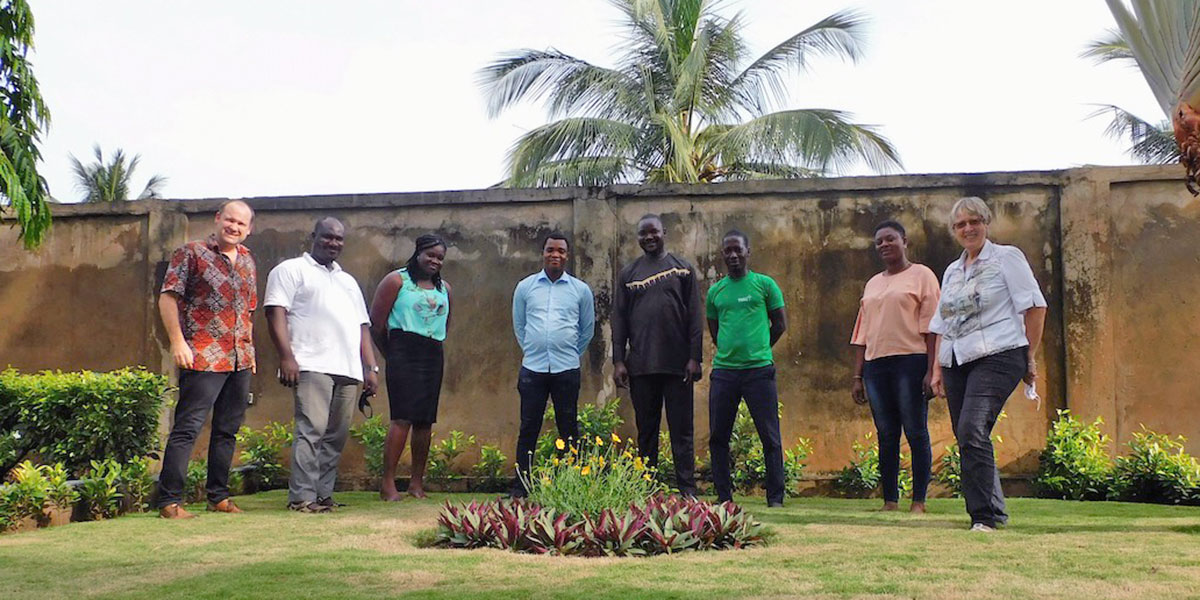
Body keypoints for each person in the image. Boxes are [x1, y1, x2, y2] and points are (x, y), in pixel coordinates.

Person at [929, 197, 1047, 532]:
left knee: (971, 429)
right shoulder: (952, 270)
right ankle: (988, 509)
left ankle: (985, 517)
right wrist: (938, 368)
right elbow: (943, 322)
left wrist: (1029, 355)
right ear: (955, 230)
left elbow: (1035, 307)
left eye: (974, 221)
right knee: (966, 434)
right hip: (955, 359)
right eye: (961, 224)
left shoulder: (1007, 257)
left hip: (1000, 353)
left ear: (987, 222)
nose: (968, 228)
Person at [264, 217, 379, 513]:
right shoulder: (290, 270)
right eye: (328, 237)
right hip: (311, 363)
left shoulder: (347, 280)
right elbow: (275, 312)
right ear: (313, 236)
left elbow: (362, 326)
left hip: (348, 368)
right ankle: (302, 497)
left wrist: (371, 367)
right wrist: (287, 357)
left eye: (339, 239)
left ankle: (322, 494)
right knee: (311, 429)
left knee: (336, 436)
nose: (333, 243)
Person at [156, 200, 257, 519]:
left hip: (239, 358)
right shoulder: (191, 253)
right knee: (188, 427)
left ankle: (218, 496)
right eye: (230, 220)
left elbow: (248, 310)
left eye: (241, 224)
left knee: (228, 430)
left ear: (248, 229)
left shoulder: (248, 261)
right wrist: (177, 342)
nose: (234, 227)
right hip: (202, 354)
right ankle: (169, 501)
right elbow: (168, 297)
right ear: (218, 219)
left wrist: (250, 350)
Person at [850, 220, 940, 513]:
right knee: (886, 433)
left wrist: (931, 370)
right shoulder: (873, 283)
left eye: (890, 239)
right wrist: (857, 376)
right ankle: (890, 500)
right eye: (879, 242)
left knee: (915, 431)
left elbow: (932, 328)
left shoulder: (922, 276)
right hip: (876, 366)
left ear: (905, 241)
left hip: (910, 362)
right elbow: (862, 332)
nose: (884, 245)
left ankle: (918, 501)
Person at [611, 214, 702, 496]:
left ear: (664, 232)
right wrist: (618, 361)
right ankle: (646, 487)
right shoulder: (628, 274)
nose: (649, 238)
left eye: (653, 232)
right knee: (646, 431)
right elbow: (619, 320)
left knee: (682, 431)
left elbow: (695, 318)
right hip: (641, 366)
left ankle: (686, 488)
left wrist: (694, 357)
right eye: (642, 234)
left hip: (678, 367)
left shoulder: (683, 269)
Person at [706, 230, 788, 507]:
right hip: (724, 372)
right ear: (723, 254)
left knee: (770, 437)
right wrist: (732, 351)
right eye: (727, 251)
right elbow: (715, 331)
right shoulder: (716, 291)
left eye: (737, 250)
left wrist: (760, 349)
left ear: (747, 251)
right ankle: (724, 497)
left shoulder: (765, 285)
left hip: (759, 371)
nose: (732, 255)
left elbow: (780, 325)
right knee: (718, 437)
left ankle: (775, 498)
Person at [509, 232, 595, 497]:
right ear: (543, 253)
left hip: (566, 369)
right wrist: (535, 349)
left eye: (560, 251)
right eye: (550, 250)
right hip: (533, 368)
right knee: (528, 427)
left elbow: (586, 330)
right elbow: (520, 326)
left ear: (567, 255)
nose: (555, 255)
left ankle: (571, 485)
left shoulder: (580, 290)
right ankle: (521, 488)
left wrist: (567, 352)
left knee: (568, 427)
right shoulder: (525, 287)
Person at [368, 234, 452, 501]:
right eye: (430, 254)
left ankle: (417, 483)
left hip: (432, 353)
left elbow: (445, 324)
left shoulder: (444, 289)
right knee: (402, 417)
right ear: (418, 253)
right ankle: (388, 483)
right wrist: (391, 354)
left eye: (440, 257)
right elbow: (376, 324)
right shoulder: (396, 281)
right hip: (403, 350)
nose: (435, 260)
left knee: (425, 421)